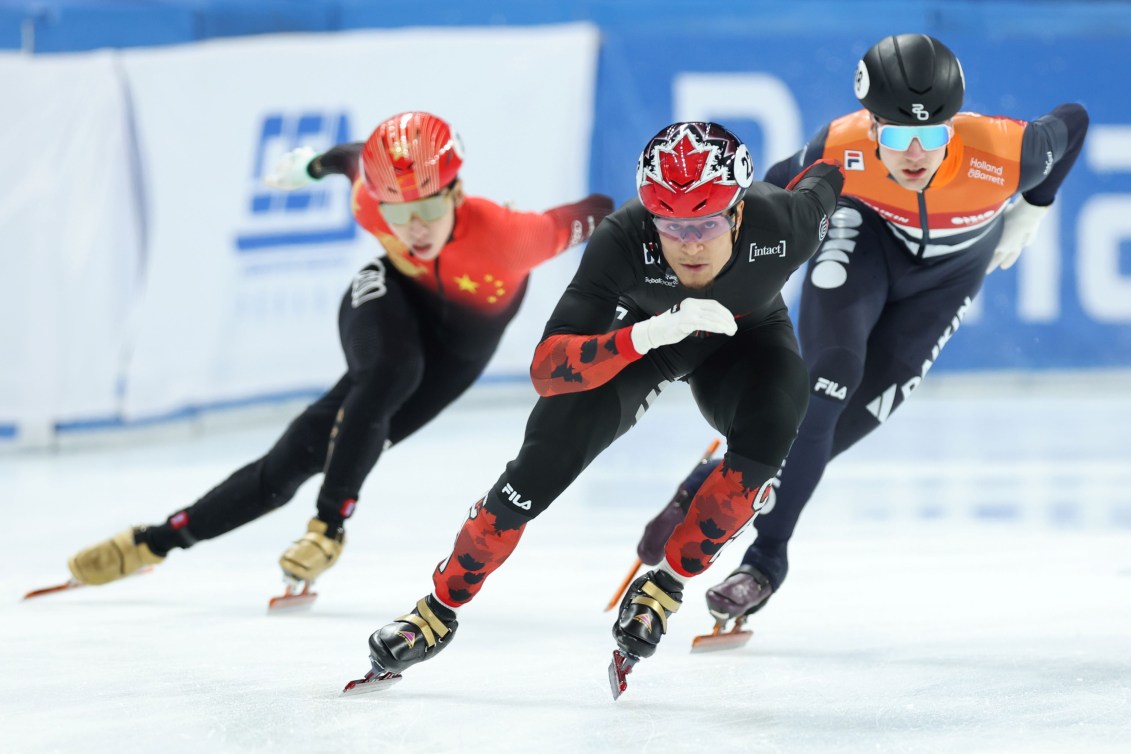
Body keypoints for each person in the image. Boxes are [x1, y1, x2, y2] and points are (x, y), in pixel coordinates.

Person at [356, 121, 843, 686]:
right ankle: (436, 610)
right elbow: (547, 368)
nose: (688, 243)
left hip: (747, 340)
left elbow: (831, 167)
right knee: (536, 470)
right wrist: (646, 335)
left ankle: (663, 587)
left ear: (737, 212)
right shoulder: (623, 237)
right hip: (642, 340)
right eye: (671, 224)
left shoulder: (787, 223)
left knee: (775, 427)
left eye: (706, 223)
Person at [635, 33, 1090, 631]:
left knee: (844, 424)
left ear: (953, 127)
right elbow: (767, 191)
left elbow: (1074, 121)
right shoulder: (837, 145)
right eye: (898, 136)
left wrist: (1038, 202)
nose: (915, 154)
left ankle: (724, 473)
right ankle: (767, 559)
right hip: (866, 243)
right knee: (829, 381)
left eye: (932, 134)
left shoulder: (1011, 150)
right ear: (872, 127)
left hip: (948, 280)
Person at [64, 111, 614, 594]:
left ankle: (155, 541)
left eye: (425, 207)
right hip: (390, 296)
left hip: (458, 355)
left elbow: (598, 211)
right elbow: (352, 159)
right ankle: (327, 527)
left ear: (454, 191)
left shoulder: (512, 237)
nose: (414, 228)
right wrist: (310, 169)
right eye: (397, 214)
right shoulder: (367, 200)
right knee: (391, 371)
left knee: (296, 461)